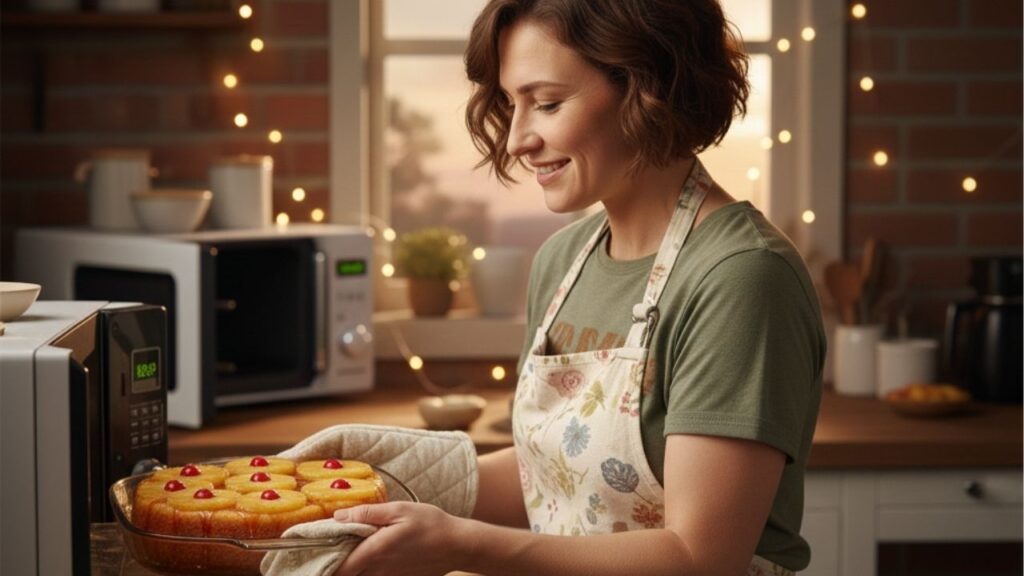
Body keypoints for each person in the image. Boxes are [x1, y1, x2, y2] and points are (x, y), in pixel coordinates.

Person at [332, 1, 825, 574]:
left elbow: (700, 557)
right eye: (509, 104)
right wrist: (381, 478)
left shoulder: (740, 277)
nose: (517, 139)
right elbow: (558, 475)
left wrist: (461, 545)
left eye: (545, 103)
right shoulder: (564, 259)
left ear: (649, 87)